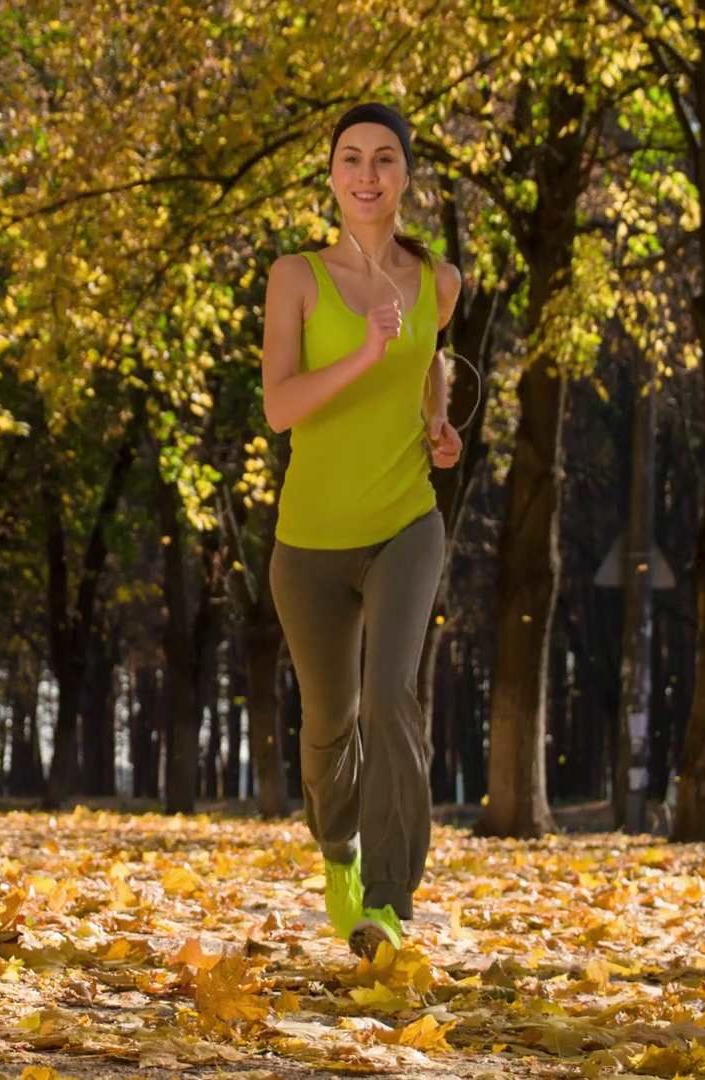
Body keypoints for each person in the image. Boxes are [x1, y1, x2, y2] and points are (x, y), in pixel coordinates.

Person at [260, 103, 464, 961]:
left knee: (392, 701)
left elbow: (430, 367)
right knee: (329, 725)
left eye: (385, 159)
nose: (368, 174)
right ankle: (337, 852)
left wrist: (439, 424)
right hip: (308, 545)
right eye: (352, 159)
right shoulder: (296, 277)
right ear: (333, 175)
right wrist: (360, 357)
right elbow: (280, 406)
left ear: (406, 175)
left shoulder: (440, 281)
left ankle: (388, 901)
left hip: (405, 523)